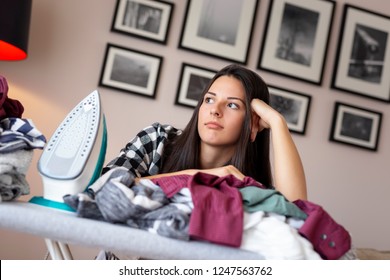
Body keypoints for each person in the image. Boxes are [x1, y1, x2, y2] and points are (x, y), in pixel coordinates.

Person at [102, 64, 307, 202]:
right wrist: (199, 177)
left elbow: (297, 215)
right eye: (209, 99)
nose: (215, 110)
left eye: (233, 105)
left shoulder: (252, 189)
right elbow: (103, 187)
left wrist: (277, 122)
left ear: (252, 124)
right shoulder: (157, 140)